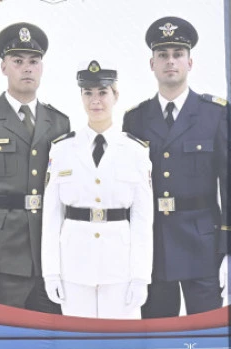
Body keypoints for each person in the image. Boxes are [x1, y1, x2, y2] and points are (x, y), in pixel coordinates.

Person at [123, 17, 231, 317]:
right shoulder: (135, 119)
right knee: (157, 334)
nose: (170, 61)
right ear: (152, 64)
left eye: (177, 54)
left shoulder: (215, 114)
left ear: (190, 62)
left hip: (203, 244)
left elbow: (229, 184)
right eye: (163, 55)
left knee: (205, 332)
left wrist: (229, 249)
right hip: (155, 243)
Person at [0, 22, 70, 313]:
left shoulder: (59, 122)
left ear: (42, 67)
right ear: (4, 67)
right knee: (4, 339)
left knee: (53, 339)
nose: (27, 68)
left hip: (50, 257)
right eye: (18, 61)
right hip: (2, 256)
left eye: (33, 61)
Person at [41, 61, 153, 318]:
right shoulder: (62, 149)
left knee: (121, 340)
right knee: (78, 340)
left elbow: (142, 219)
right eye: (88, 93)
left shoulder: (135, 151)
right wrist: (51, 272)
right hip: (73, 265)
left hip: (120, 266)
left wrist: (140, 276)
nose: (95, 100)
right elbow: (51, 215)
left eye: (103, 92)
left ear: (115, 96)